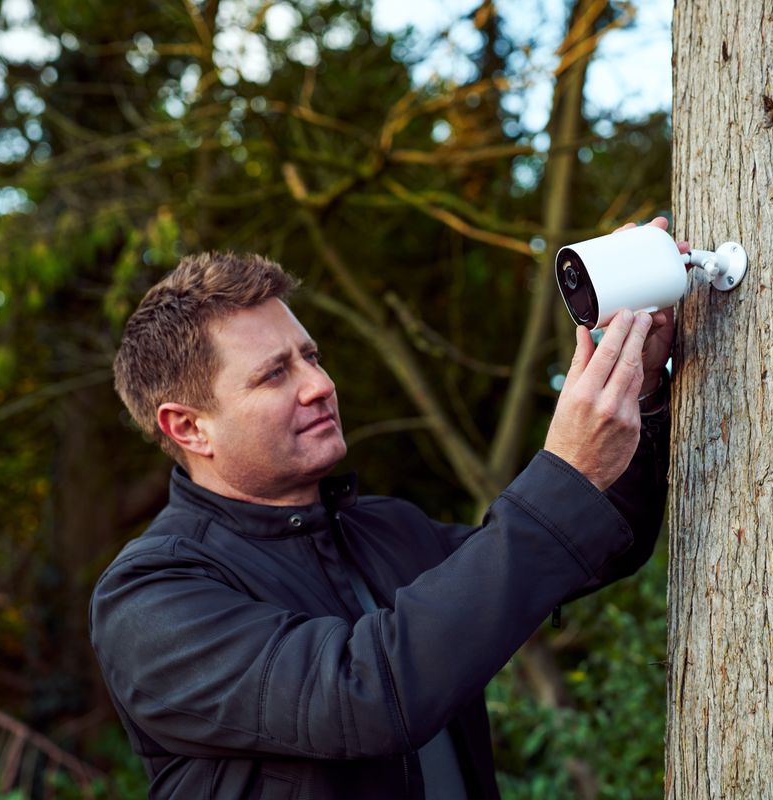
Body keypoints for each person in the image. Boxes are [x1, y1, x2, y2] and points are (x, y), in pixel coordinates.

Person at [90, 217, 683, 799]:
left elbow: (596, 547)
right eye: (274, 375)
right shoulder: (151, 599)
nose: (319, 385)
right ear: (189, 427)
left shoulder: (387, 528)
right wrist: (567, 472)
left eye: (310, 356)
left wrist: (643, 386)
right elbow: (363, 696)